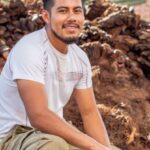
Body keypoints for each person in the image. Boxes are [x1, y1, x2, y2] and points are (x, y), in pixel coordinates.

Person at [0, 0, 112, 149]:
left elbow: (89, 113)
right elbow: (38, 115)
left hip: (53, 135)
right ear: (46, 16)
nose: (72, 17)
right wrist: (93, 146)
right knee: (54, 145)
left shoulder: (80, 57)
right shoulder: (30, 49)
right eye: (63, 11)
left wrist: (104, 148)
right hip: (13, 137)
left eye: (77, 11)